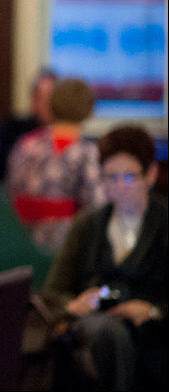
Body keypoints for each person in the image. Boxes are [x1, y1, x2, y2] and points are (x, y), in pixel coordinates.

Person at [41, 124, 167, 390]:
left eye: (129, 177)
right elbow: (52, 293)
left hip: (154, 337)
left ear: (151, 174)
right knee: (107, 335)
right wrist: (75, 304)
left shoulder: (164, 224)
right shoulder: (88, 225)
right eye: (111, 177)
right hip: (96, 332)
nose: (120, 187)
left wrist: (152, 310)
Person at [5, 76, 106, 252]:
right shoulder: (86, 152)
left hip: (17, 241)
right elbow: (97, 209)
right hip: (65, 249)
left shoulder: (25, 144)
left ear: (51, 106)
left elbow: (8, 191)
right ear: (90, 110)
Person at [0, 67, 57, 181]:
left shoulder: (64, 133)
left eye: (50, 99)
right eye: (42, 99)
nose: (47, 105)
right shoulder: (14, 128)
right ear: (33, 100)